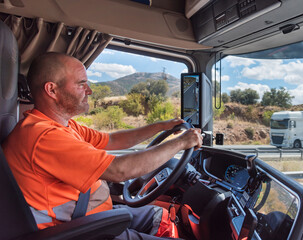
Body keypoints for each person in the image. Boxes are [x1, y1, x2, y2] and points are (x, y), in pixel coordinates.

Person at [1, 52, 203, 239]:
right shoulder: (44, 136)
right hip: (81, 230)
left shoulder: (61, 125)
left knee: (161, 215)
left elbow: (113, 140)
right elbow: (120, 170)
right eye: (81, 84)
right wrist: (181, 143)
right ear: (52, 89)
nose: (89, 90)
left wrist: (160, 126)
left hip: (94, 216)